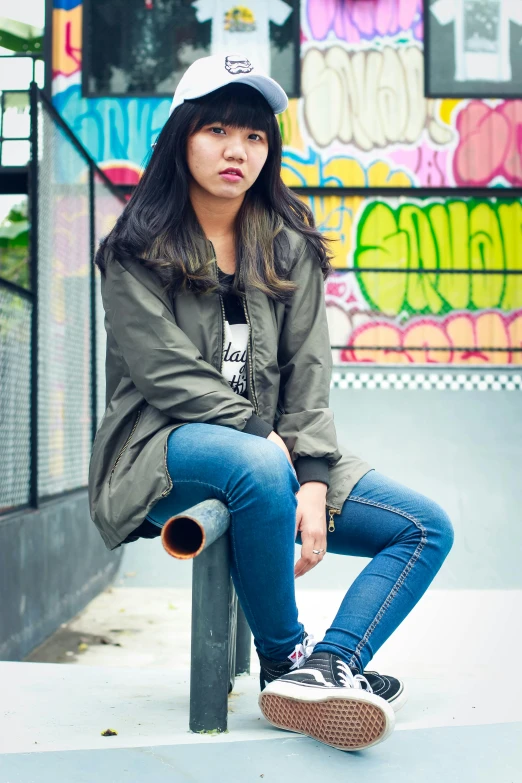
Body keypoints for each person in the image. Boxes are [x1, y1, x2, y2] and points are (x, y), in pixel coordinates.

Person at [88, 52, 455, 753]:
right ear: (181, 137)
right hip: (158, 449)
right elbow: (166, 373)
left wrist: (313, 478)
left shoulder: (288, 245)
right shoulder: (135, 250)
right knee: (255, 463)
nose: (237, 150)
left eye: (255, 136)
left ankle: (331, 661)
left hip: (277, 454)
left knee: (422, 526)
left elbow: (308, 373)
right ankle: (285, 659)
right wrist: (268, 441)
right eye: (219, 130)